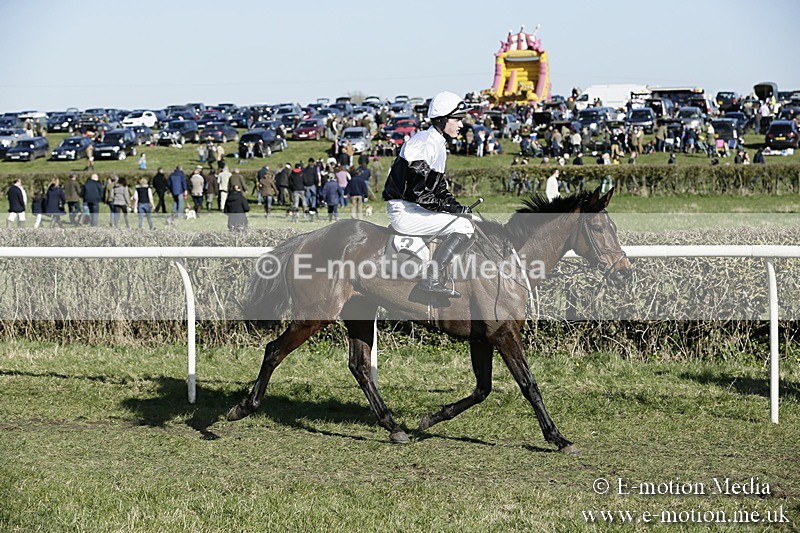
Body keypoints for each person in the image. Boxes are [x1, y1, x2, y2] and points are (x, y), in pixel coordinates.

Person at [382, 91, 474, 298]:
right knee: (464, 227)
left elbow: (439, 190)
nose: (461, 125)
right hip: (405, 211)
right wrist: (451, 209)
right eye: (457, 119)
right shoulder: (423, 144)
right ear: (441, 119)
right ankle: (432, 279)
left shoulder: (437, 144)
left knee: (470, 220)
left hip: (415, 208)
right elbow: (419, 194)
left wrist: (457, 207)